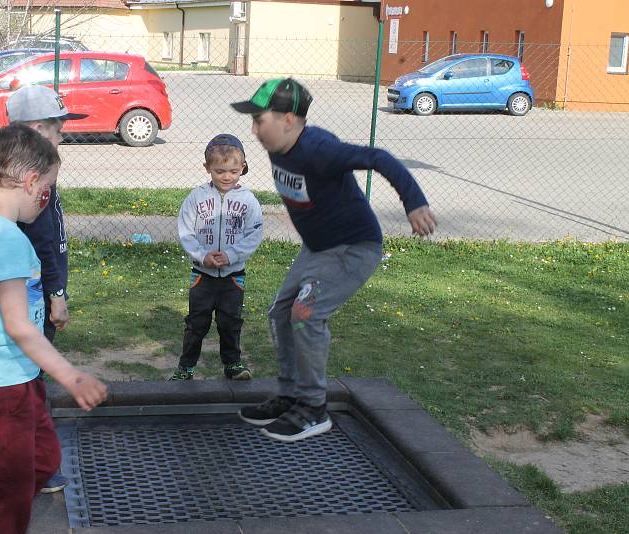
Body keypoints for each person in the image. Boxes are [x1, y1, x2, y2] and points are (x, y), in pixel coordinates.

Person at [231, 78, 437, 442]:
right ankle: (291, 394)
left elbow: (380, 158)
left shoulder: (320, 150)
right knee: (280, 312)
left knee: (305, 314)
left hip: (353, 248)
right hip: (318, 248)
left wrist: (414, 202)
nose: (254, 129)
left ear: (289, 120)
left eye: (260, 120)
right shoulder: (279, 142)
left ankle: (313, 408)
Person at [0, 124, 108, 534]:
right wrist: (71, 375)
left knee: (42, 460)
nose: (46, 202)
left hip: (13, 379)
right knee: (11, 495)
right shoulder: (7, 239)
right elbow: (20, 327)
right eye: (46, 192)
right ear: (29, 183)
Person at [6, 84, 86, 493]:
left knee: (27, 379)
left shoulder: (21, 176)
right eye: (57, 127)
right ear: (37, 128)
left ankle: (28, 460)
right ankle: (32, 468)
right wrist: (57, 296)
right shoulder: (31, 184)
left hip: (32, 299)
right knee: (28, 382)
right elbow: (43, 245)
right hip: (34, 301)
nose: (62, 134)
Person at [170, 134, 264, 381]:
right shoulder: (196, 198)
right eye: (219, 171)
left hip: (233, 277)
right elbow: (186, 231)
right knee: (196, 323)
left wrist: (232, 255)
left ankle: (233, 364)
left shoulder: (248, 201)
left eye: (233, 171)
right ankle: (186, 367)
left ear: (242, 168)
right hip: (203, 276)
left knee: (230, 322)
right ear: (207, 168)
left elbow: (254, 234)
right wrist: (202, 256)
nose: (226, 176)